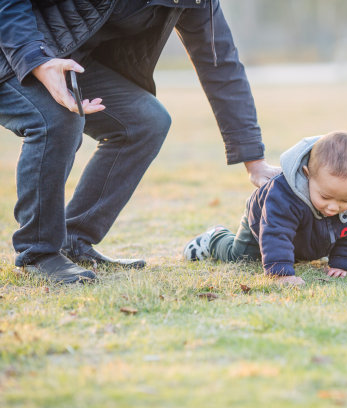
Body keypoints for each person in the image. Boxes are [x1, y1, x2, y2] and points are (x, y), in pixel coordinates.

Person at [0, 0, 279, 284]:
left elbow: (221, 66)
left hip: (69, 58)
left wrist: (254, 161)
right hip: (14, 46)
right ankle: (38, 254)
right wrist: (36, 58)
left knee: (145, 121)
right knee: (57, 120)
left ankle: (74, 240)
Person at [183, 131, 347, 286]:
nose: (333, 207)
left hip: (311, 233)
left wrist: (343, 263)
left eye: (345, 200)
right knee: (241, 258)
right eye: (325, 196)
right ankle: (215, 237)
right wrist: (280, 273)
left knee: (303, 248)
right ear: (307, 174)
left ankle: (294, 252)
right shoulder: (283, 194)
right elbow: (276, 232)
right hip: (264, 225)